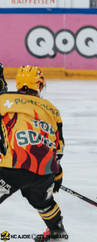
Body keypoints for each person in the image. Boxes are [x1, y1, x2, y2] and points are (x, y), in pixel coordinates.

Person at [0, 65, 67, 241]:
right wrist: (57, 174)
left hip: (11, 169)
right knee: (43, 202)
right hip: (45, 171)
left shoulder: (4, 99)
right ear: (38, 85)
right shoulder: (52, 109)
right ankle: (58, 233)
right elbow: (58, 147)